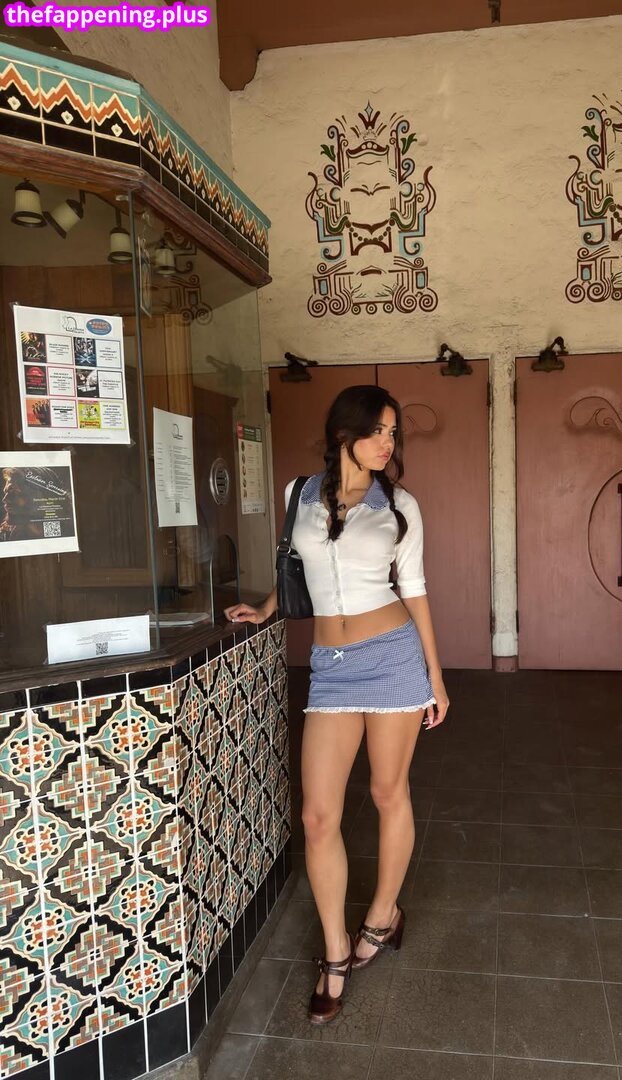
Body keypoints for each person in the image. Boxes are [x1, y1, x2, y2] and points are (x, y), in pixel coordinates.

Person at [224, 384, 450, 1024]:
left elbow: (416, 589)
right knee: (318, 815)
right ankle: (334, 951)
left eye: (393, 433)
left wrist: (435, 678)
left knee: (387, 791)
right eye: (379, 430)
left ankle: (382, 915)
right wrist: (266, 608)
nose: (388, 443)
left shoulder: (399, 504)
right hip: (331, 667)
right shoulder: (299, 493)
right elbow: (297, 565)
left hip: (394, 658)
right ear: (344, 433)